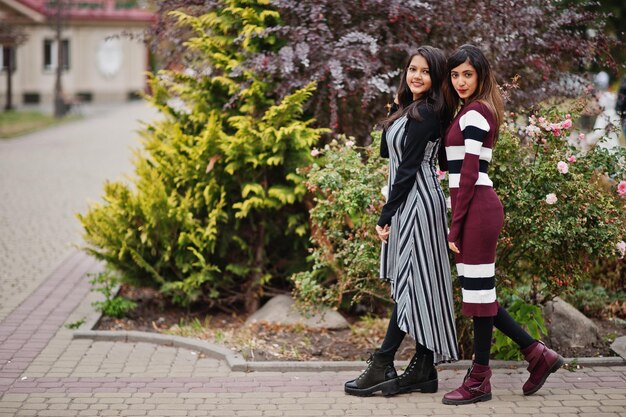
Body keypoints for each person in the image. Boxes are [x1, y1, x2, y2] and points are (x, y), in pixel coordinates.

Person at [441, 44, 564, 405]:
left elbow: (469, 174)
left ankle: (480, 379)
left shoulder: (476, 113)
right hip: (474, 208)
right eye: (455, 74)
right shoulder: (470, 111)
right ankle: (538, 354)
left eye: (468, 74)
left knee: (478, 298)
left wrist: (455, 224)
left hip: (476, 209)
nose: (460, 81)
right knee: (482, 296)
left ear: (480, 76)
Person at [344, 45, 459, 397]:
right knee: (418, 283)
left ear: (436, 78)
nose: (417, 76)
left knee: (412, 282)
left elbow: (408, 169)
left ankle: (383, 361)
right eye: (412, 69)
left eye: (425, 71)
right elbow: (386, 152)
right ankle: (423, 367)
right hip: (411, 199)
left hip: (419, 203)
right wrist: (397, 106)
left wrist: (386, 213)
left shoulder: (426, 113)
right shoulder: (413, 110)